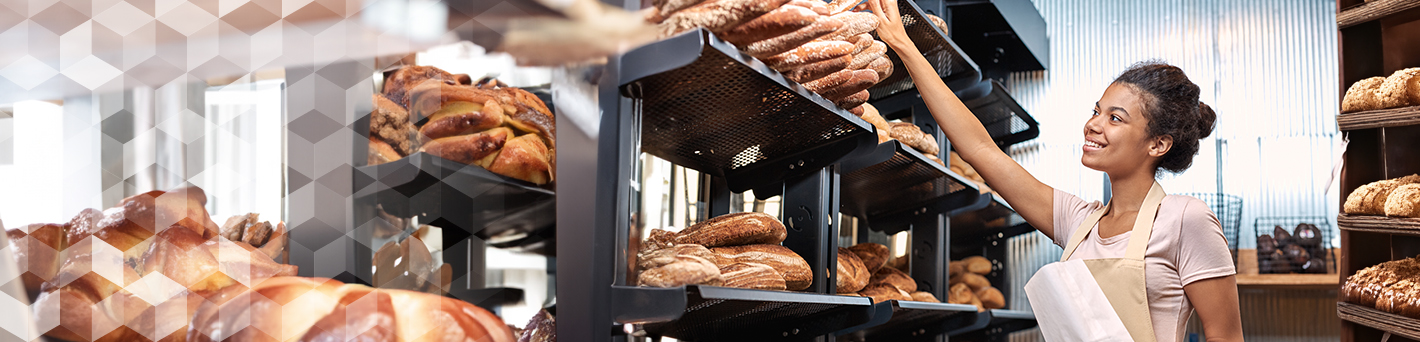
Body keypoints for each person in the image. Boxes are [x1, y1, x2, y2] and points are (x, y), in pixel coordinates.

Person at [866, 0, 1243, 341]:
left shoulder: (1185, 220)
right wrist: (904, 45)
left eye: (1115, 118)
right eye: (1096, 111)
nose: (1093, 125)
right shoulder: (1079, 223)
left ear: (1157, 144)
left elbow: (1225, 336)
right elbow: (979, 149)